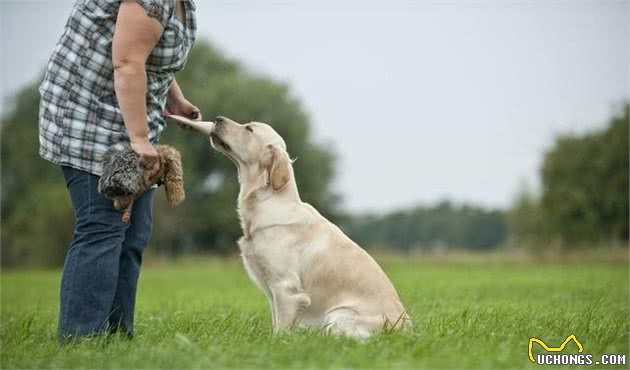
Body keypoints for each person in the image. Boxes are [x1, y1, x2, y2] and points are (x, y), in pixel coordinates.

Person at [38, 0, 200, 340]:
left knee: (133, 234)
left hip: (129, 117)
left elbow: (150, 53)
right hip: (90, 117)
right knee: (102, 226)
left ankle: (115, 338)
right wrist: (139, 140)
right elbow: (127, 62)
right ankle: (82, 341)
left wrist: (175, 99)